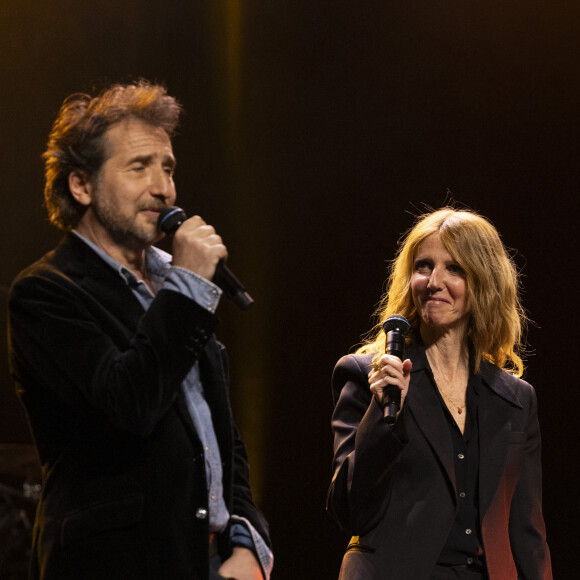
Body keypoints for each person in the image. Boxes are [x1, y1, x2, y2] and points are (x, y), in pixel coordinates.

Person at [8, 81, 273, 580]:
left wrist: (247, 540)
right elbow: (127, 405)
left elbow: (221, 434)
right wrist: (190, 284)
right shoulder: (46, 293)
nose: (163, 187)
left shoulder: (175, 284)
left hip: (211, 562)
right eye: (139, 167)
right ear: (81, 185)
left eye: (167, 167)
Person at [327, 208, 552, 579]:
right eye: (423, 266)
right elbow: (349, 509)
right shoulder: (368, 375)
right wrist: (382, 415)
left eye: (455, 269)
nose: (434, 281)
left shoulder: (515, 398)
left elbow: (527, 531)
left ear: (484, 282)